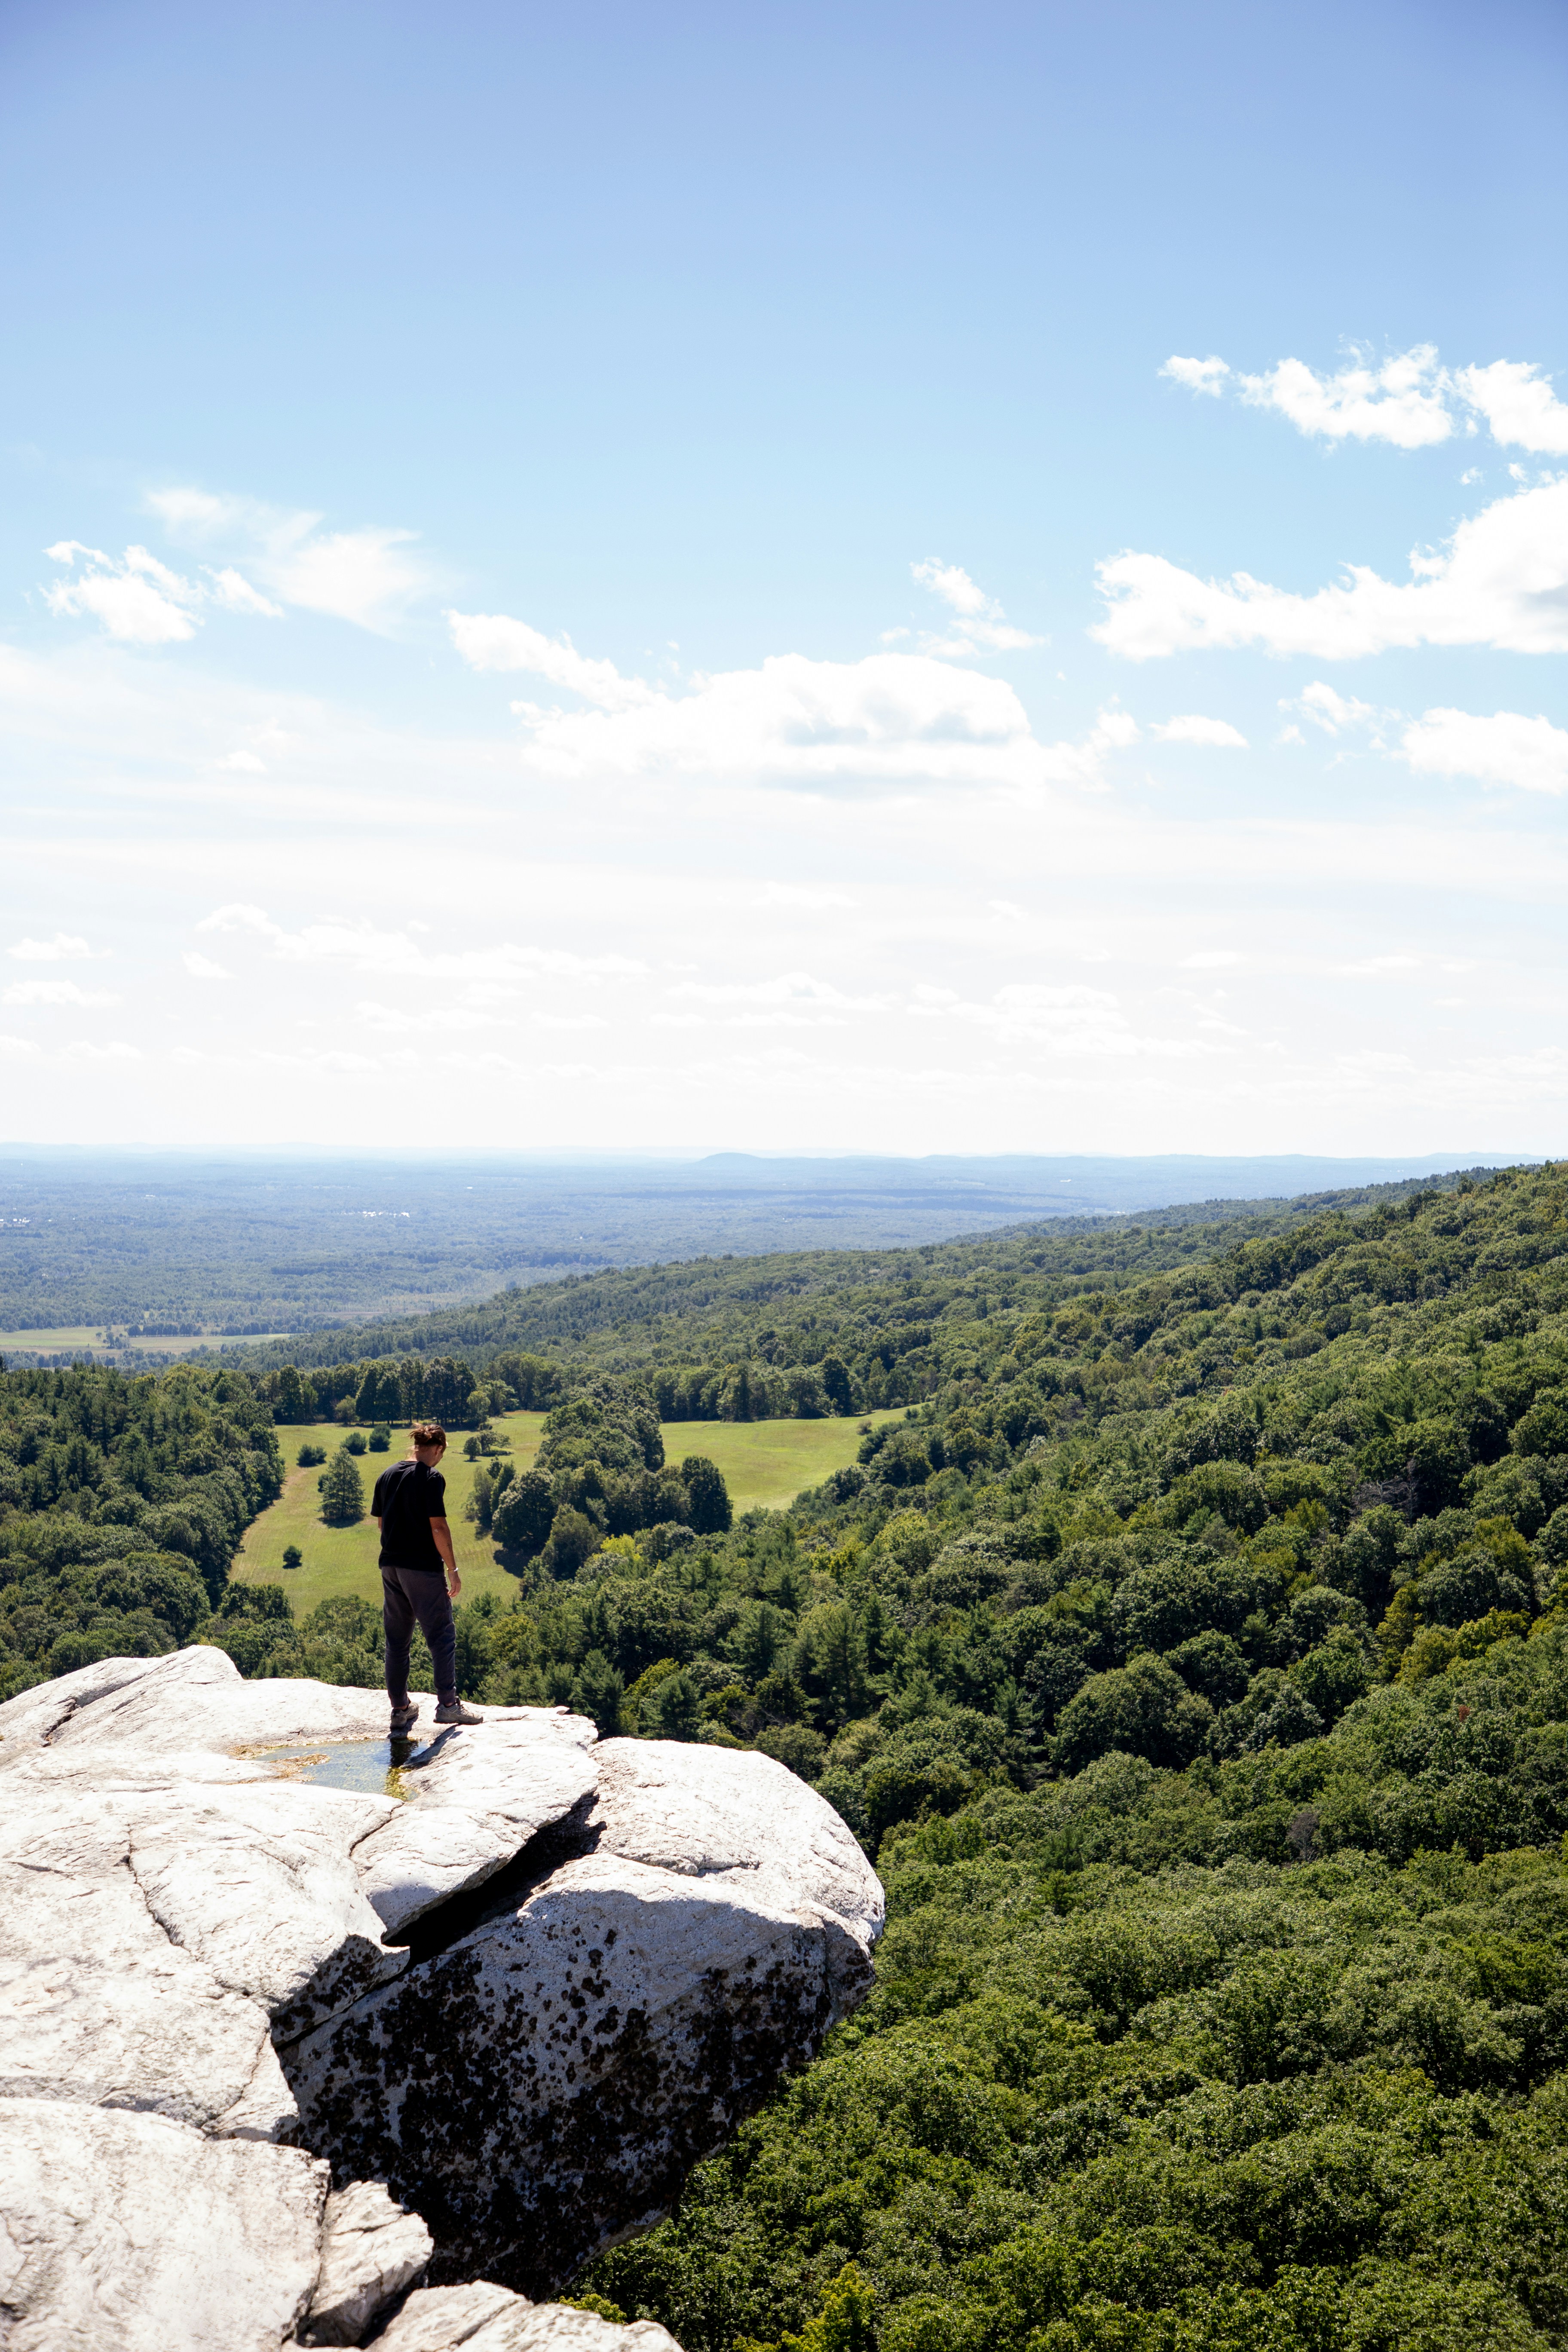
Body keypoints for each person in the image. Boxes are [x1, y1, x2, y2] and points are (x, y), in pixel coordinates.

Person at [371, 1419, 481, 1733]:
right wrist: (453, 1569)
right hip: (421, 1569)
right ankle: (448, 1705)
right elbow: (438, 1527)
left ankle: (400, 1709)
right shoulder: (432, 1478)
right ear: (438, 1449)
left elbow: (381, 1525)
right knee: (441, 1635)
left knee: (397, 1641)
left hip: (390, 1567)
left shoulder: (386, 1475)